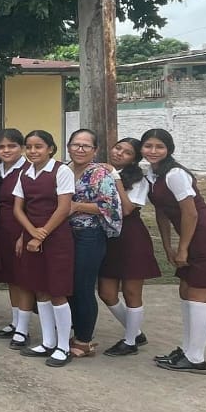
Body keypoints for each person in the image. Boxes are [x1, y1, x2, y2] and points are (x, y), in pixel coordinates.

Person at [142, 128, 206, 374]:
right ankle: (186, 350)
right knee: (186, 290)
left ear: (169, 150)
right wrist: (167, 246)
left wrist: (183, 248)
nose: (153, 151)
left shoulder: (175, 174)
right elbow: (162, 211)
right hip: (193, 238)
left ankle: (196, 358)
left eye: (159, 147)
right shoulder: (152, 175)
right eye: (148, 146)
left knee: (198, 295)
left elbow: (191, 212)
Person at [12, 130, 77, 367]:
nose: (32, 151)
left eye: (38, 146)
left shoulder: (61, 171)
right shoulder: (24, 174)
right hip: (33, 237)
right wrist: (32, 232)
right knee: (39, 288)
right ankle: (48, 341)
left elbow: (63, 208)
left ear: (50, 148)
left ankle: (63, 346)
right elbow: (19, 208)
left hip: (56, 238)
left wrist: (42, 234)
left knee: (57, 290)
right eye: (28, 147)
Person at [98, 136, 159, 356]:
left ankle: (130, 341)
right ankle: (136, 331)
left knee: (132, 292)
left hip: (131, 238)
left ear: (134, 160)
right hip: (107, 237)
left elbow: (126, 209)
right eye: (117, 148)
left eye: (126, 152)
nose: (118, 153)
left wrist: (115, 179)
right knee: (106, 292)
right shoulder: (99, 171)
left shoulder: (138, 180)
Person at [65, 128, 122, 358]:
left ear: (95, 150)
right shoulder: (63, 169)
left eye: (85, 146)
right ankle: (72, 331)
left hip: (89, 235)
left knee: (83, 286)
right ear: (68, 146)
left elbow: (110, 206)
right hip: (64, 235)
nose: (80, 149)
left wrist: (77, 206)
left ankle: (84, 339)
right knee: (67, 285)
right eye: (76, 145)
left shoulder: (100, 174)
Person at [0, 130, 35, 349]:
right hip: (1, 230)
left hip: (21, 229)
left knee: (23, 278)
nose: (6, 150)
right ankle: (16, 321)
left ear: (22, 148)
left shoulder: (28, 171)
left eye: (12, 146)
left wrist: (24, 235)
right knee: (10, 277)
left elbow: (33, 207)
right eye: (1, 147)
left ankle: (23, 329)